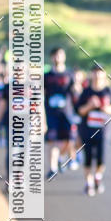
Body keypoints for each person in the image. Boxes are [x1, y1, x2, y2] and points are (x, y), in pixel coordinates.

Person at [75, 65, 111, 196]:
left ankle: (98, 177)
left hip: (103, 131)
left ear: (104, 75)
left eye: (100, 73)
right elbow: (79, 111)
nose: (97, 76)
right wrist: (90, 106)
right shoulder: (86, 92)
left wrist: (105, 108)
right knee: (87, 158)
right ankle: (89, 183)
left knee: (101, 158)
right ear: (91, 75)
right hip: (86, 130)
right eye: (95, 73)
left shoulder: (108, 91)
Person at [44, 47, 75, 178]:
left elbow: (75, 94)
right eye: (55, 55)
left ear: (64, 57)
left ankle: (61, 157)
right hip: (51, 114)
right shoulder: (47, 76)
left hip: (66, 114)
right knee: (52, 140)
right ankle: (52, 168)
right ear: (52, 58)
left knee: (69, 140)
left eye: (60, 55)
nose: (57, 58)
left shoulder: (69, 75)